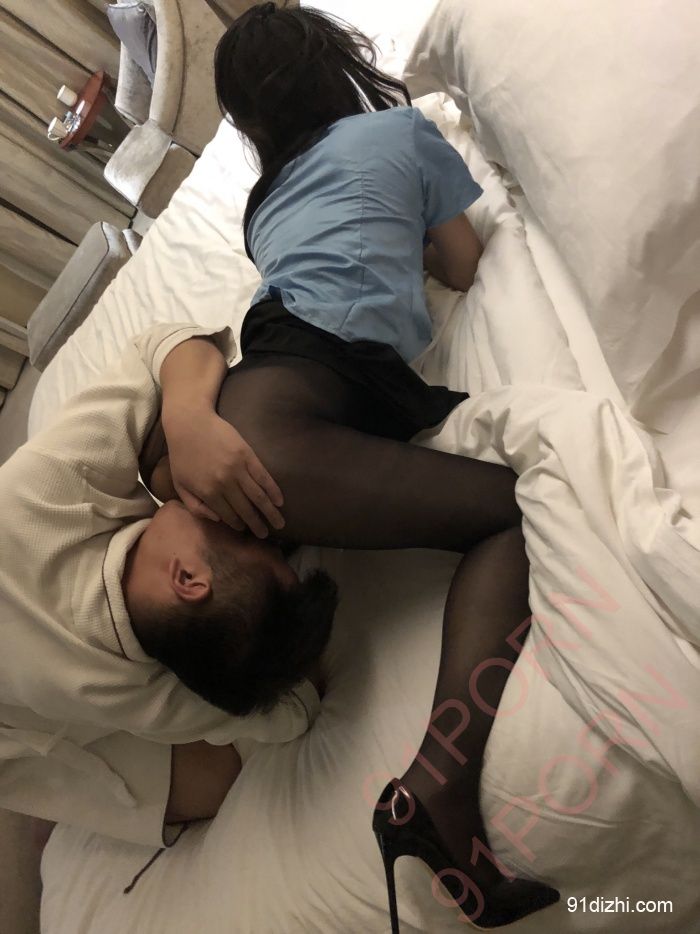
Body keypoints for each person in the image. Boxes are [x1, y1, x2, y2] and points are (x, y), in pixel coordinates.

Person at [143, 3, 560, 929]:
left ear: (250, 124)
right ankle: (437, 789)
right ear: (334, 63)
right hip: (285, 431)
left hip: (259, 404)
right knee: (512, 513)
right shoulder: (399, 132)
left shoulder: (260, 210)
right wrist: (412, 222)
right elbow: (463, 264)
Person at [0, 323, 337, 852]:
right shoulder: (42, 494)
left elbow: (292, 710)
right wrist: (188, 417)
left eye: (250, 543)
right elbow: (160, 344)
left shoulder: (132, 695)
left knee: (212, 784)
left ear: (186, 579)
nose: (244, 525)